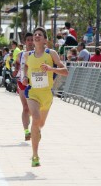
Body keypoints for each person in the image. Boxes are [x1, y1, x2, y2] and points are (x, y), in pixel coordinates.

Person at [22, 27, 69, 167]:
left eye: (40, 35)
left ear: (45, 40)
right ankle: (35, 156)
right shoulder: (27, 55)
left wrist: (51, 69)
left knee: (40, 124)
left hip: (47, 94)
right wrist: (25, 76)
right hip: (32, 92)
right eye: (35, 34)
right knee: (35, 119)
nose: (36, 36)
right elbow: (26, 67)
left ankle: (37, 131)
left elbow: (65, 71)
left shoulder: (51, 53)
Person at [13, 32, 34, 141]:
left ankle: (34, 127)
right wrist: (15, 70)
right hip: (22, 82)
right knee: (25, 108)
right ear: (25, 42)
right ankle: (26, 131)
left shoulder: (39, 53)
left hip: (35, 84)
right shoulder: (20, 54)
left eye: (32, 40)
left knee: (34, 110)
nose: (30, 42)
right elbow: (16, 63)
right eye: (28, 40)